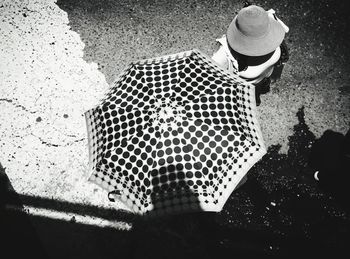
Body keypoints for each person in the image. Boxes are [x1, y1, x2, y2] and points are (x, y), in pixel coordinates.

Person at [212, 3, 290, 105]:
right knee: (248, 102)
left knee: (256, 95)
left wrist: (275, 73)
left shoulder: (266, 23)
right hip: (243, 88)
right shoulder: (224, 53)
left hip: (262, 81)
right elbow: (212, 74)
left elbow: (282, 55)